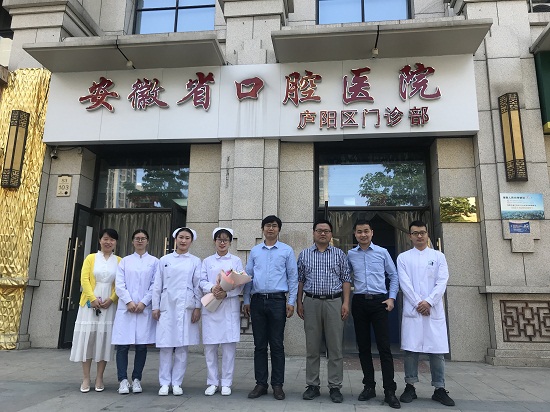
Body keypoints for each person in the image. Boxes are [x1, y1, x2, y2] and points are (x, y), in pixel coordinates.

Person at [397, 221, 455, 407]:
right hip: (414, 309)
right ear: (410, 236)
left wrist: (429, 301)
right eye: (415, 233)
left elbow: (442, 281)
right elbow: (404, 283)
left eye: (422, 232)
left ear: (427, 234)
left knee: (437, 351)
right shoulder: (403, 258)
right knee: (411, 350)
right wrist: (418, 303)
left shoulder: (438, 256)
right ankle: (410, 386)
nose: (419, 236)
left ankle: (439, 388)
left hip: (433, 309)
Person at [242, 215, 298, 401]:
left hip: (277, 301)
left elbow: (293, 277)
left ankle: (277, 385)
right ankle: (261, 384)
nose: (271, 229)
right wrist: (246, 300)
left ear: (279, 229)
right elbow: (248, 276)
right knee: (259, 345)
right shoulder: (255, 251)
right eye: (268, 225)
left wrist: (291, 302)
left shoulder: (286, 250)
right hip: (257, 301)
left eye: (274, 226)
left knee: (276, 344)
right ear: (262, 229)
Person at [296, 219, 351, 403]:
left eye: (326, 231)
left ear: (331, 234)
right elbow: (300, 281)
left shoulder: (339, 254)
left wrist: (345, 303)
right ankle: (312, 385)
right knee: (312, 347)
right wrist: (299, 302)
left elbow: (346, 280)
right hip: (311, 302)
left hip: (334, 302)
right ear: (313, 233)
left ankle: (335, 386)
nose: (322, 233)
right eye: (319, 230)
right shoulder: (304, 254)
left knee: (335, 347)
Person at [347, 219, 400, 409]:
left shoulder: (382, 252)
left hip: (379, 303)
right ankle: (369, 386)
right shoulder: (350, 254)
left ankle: (389, 391)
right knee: (363, 347)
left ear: (372, 232)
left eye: (366, 231)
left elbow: (393, 276)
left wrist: (391, 298)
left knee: (384, 348)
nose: (363, 235)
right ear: (355, 234)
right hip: (359, 302)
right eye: (359, 232)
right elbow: (346, 278)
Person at [69, 228, 121, 393]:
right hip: (89, 303)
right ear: (99, 240)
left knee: (103, 338)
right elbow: (84, 279)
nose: (108, 242)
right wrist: (92, 298)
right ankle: (86, 378)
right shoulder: (91, 258)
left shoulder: (119, 261)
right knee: (88, 338)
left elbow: (120, 283)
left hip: (108, 305)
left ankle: (99, 377)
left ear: (115, 243)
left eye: (112, 239)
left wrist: (112, 299)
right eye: (105, 239)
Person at [152, 227, 201, 396]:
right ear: (175, 239)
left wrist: (197, 307)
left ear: (191, 241)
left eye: (187, 238)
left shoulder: (195, 261)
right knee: (166, 345)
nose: (183, 240)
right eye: (181, 237)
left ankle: (177, 382)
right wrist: (155, 306)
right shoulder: (164, 260)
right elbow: (157, 285)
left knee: (182, 346)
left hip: (185, 305)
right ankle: (164, 383)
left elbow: (197, 285)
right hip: (167, 304)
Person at [112, 229, 159, 395]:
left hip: (143, 309)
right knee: (122, 346)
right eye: (137, 238)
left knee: (141, 346)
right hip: (126, 309)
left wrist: (144, 302)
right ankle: (123, 380)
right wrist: (129, 301)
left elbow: (155, 285)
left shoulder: (154, 262)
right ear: (132, 241)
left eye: (143, 238)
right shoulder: (125, 261)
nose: (140, 241)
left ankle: (137, 379)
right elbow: (119, 284)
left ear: (147, 241)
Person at [199, 227, 244, 396]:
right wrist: (213, 288)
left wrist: (227, 293)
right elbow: (201, 281)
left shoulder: (236, 260)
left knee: (228, 348)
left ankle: (226, 382)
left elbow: (240, 284)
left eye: (226, 240)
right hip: (211, 306)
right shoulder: (207, 261)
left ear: (230, 242)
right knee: (210, 347)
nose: (222, 242)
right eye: (219, 239)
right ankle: (212, 382)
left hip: (228, 307)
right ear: (214, 241)